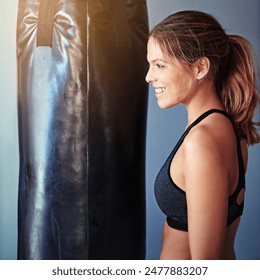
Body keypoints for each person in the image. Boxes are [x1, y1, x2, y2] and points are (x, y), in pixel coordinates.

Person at [146, 10, 260, 260]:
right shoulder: (227, 128)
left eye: (159, 65)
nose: (149, 77)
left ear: (200, 68)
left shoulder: (203, 140)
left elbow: (205, 265)